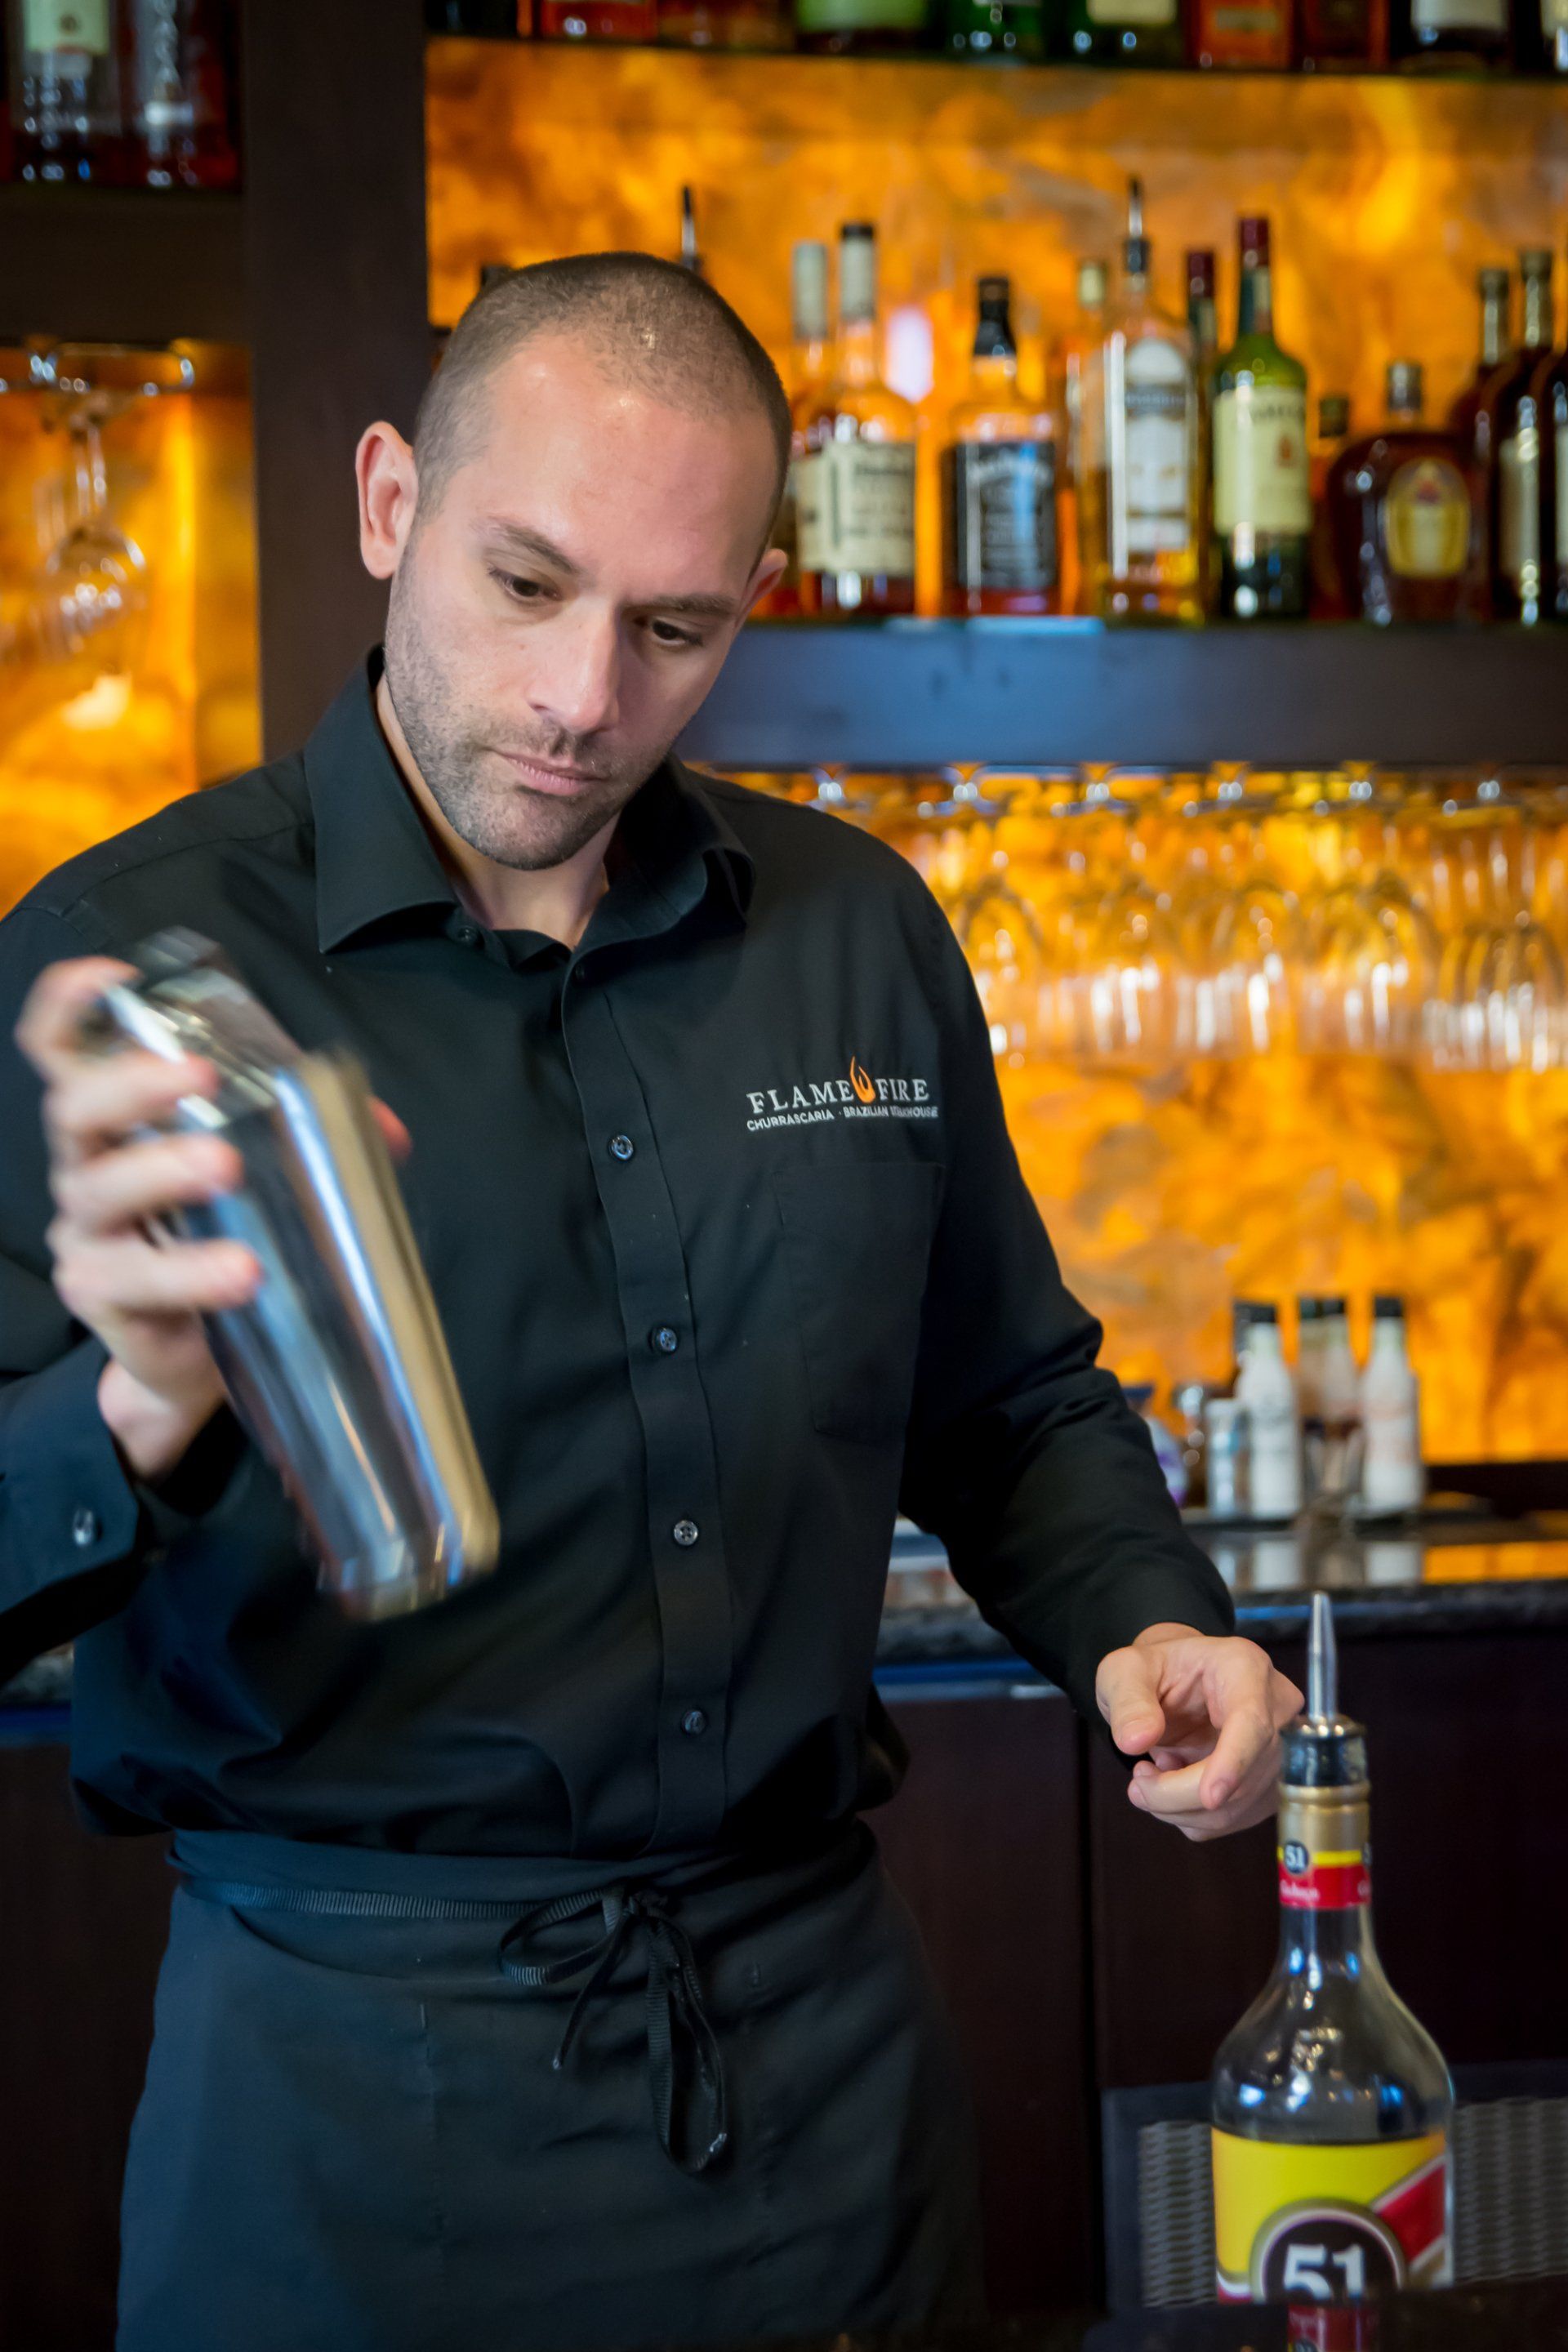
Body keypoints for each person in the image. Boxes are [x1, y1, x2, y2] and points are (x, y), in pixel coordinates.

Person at [0, 255, 1301, 2352]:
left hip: (828, 2089)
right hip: (345, 2120)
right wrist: (133, 1405)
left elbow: (1009, 1401)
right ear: (387, 503)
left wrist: (1150, 1618)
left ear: (752, 604)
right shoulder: (123, 960)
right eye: (527, 585)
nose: (584, 697)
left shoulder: (855, 934)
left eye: (671, 627)